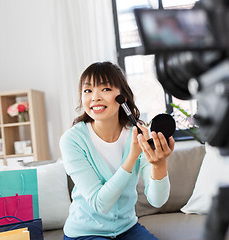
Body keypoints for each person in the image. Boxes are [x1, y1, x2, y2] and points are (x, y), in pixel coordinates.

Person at [60, 61, 175, 240]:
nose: (95, 97)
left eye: (105, 89)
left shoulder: (136, 132)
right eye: (87, 90)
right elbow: (100, 203)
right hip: (85, 233)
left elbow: (157, 200)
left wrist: (159, 164)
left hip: (126, 229)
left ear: (123, 96)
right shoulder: (72, 140)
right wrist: (132, 157)